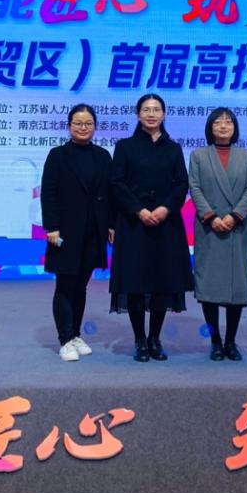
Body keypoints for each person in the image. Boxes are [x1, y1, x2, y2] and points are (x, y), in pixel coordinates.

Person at [109, 93, 193, 362]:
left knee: (161, 283)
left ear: (164, 114)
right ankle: (139, 340)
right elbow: (117, 183)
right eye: (146, 109)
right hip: (133, 223)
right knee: (135, 282)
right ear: (138, 115)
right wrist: (140, 210)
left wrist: (165, 208)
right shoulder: (125, 146)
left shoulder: (173, 148)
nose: (151, 114)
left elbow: (182, 184)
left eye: (156, 109)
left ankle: (155, 338)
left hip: (166, 224)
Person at [40, 104, 113, 362]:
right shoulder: (58, 155)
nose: (83, 128)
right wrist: (52, 226)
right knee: (65, 284)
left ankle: (75, 335)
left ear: (95, 126)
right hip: (65, 231)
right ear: (69, 126)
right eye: (78, 123)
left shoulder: (103, 156)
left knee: (81, 285)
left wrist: (111, 225)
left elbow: (110, 194)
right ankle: (64, 339)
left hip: (93, 231)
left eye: (88, 123)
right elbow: (48, 193)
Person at [189, 107, 247, 361]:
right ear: (210, 127)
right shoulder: (198, 155)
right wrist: (211, 216)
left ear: (235, 128)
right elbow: (194, 187)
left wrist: (234, 215)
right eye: (218, 122)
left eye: (229, 122)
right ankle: (215, 341)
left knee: (236, 287)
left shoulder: (246, 156)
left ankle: (231, 341)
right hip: (209, 227)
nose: (224, 126)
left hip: (237, 227)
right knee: (209, 286)